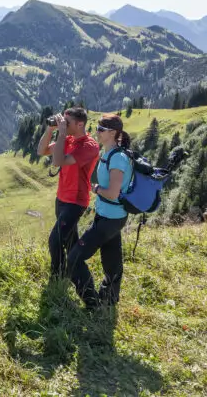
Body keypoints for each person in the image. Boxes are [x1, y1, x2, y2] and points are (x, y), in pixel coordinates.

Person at [67, 114, 134, 309]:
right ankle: (109, 299)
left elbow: (113, 193)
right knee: (112, 260)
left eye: (101, 129)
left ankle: (92, 303)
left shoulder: (118, 158)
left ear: (113, 133)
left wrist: (95, 189)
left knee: (74, 259)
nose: (97, 131)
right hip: (111, 216)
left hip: (110, 218)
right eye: (97, 127)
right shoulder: (109, 153)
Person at [37, 107, 100, 279]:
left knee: (55, 240)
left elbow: (58, 162)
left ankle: (57, 277)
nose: (63, 124)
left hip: (76, 201)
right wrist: (51, 129)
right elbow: (41, 151)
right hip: (62, 198)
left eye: (67, 122)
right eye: (62, 120)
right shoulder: (68, 139)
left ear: (80, 124)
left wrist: (62, 134)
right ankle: (75, 272)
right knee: (70, 240)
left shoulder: (89, 146)